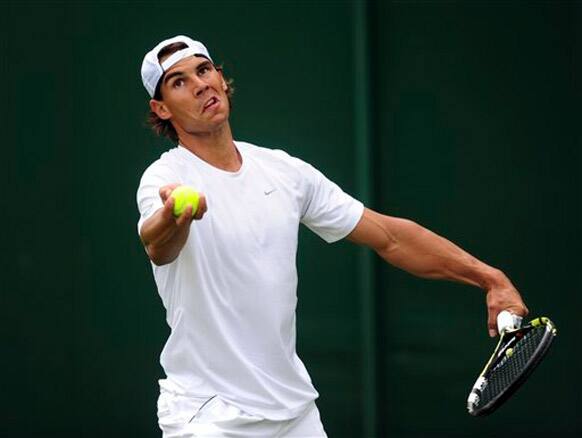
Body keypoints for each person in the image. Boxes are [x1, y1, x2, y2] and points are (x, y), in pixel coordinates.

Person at [136, 35, 528, 437]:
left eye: (204, 70)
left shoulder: (284, 172)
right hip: (209, 416)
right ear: (161, 108)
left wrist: (489, 277)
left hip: (294, 414)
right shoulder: (166, 179)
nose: (200, 84)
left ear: (220, 77)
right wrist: (174, 215)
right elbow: (157, 245)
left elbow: (390, 236)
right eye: (179, 81)